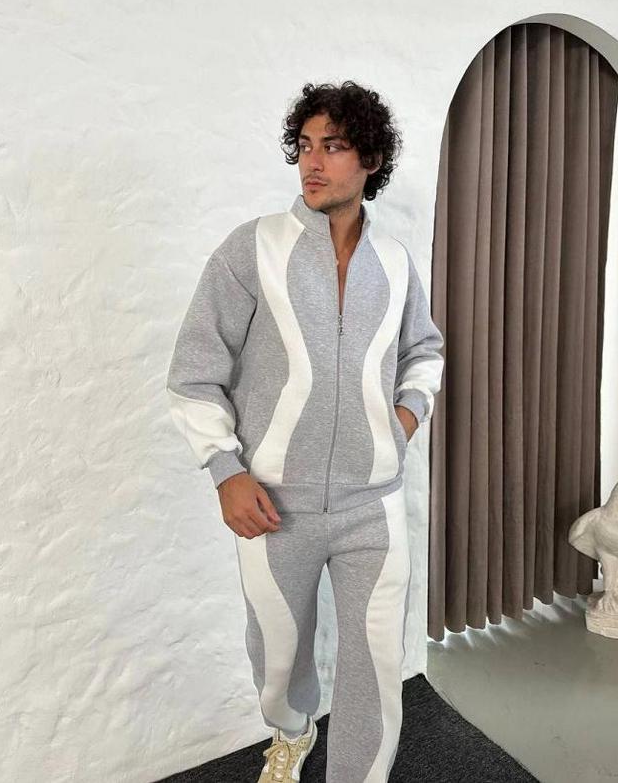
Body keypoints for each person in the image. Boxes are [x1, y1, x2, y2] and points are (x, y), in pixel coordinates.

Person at [166, 80, 445, 782]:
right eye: (305, 146)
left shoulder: (395, 262)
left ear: (370, 160)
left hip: (372, 504)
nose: (312, 163)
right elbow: (195, 371)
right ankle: (291, 731)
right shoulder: (252, 249)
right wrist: (226, 471)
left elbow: (425, 352)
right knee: (277, 659)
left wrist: (403, 420)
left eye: (334, 147)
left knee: (376, 663)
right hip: (273, 504)